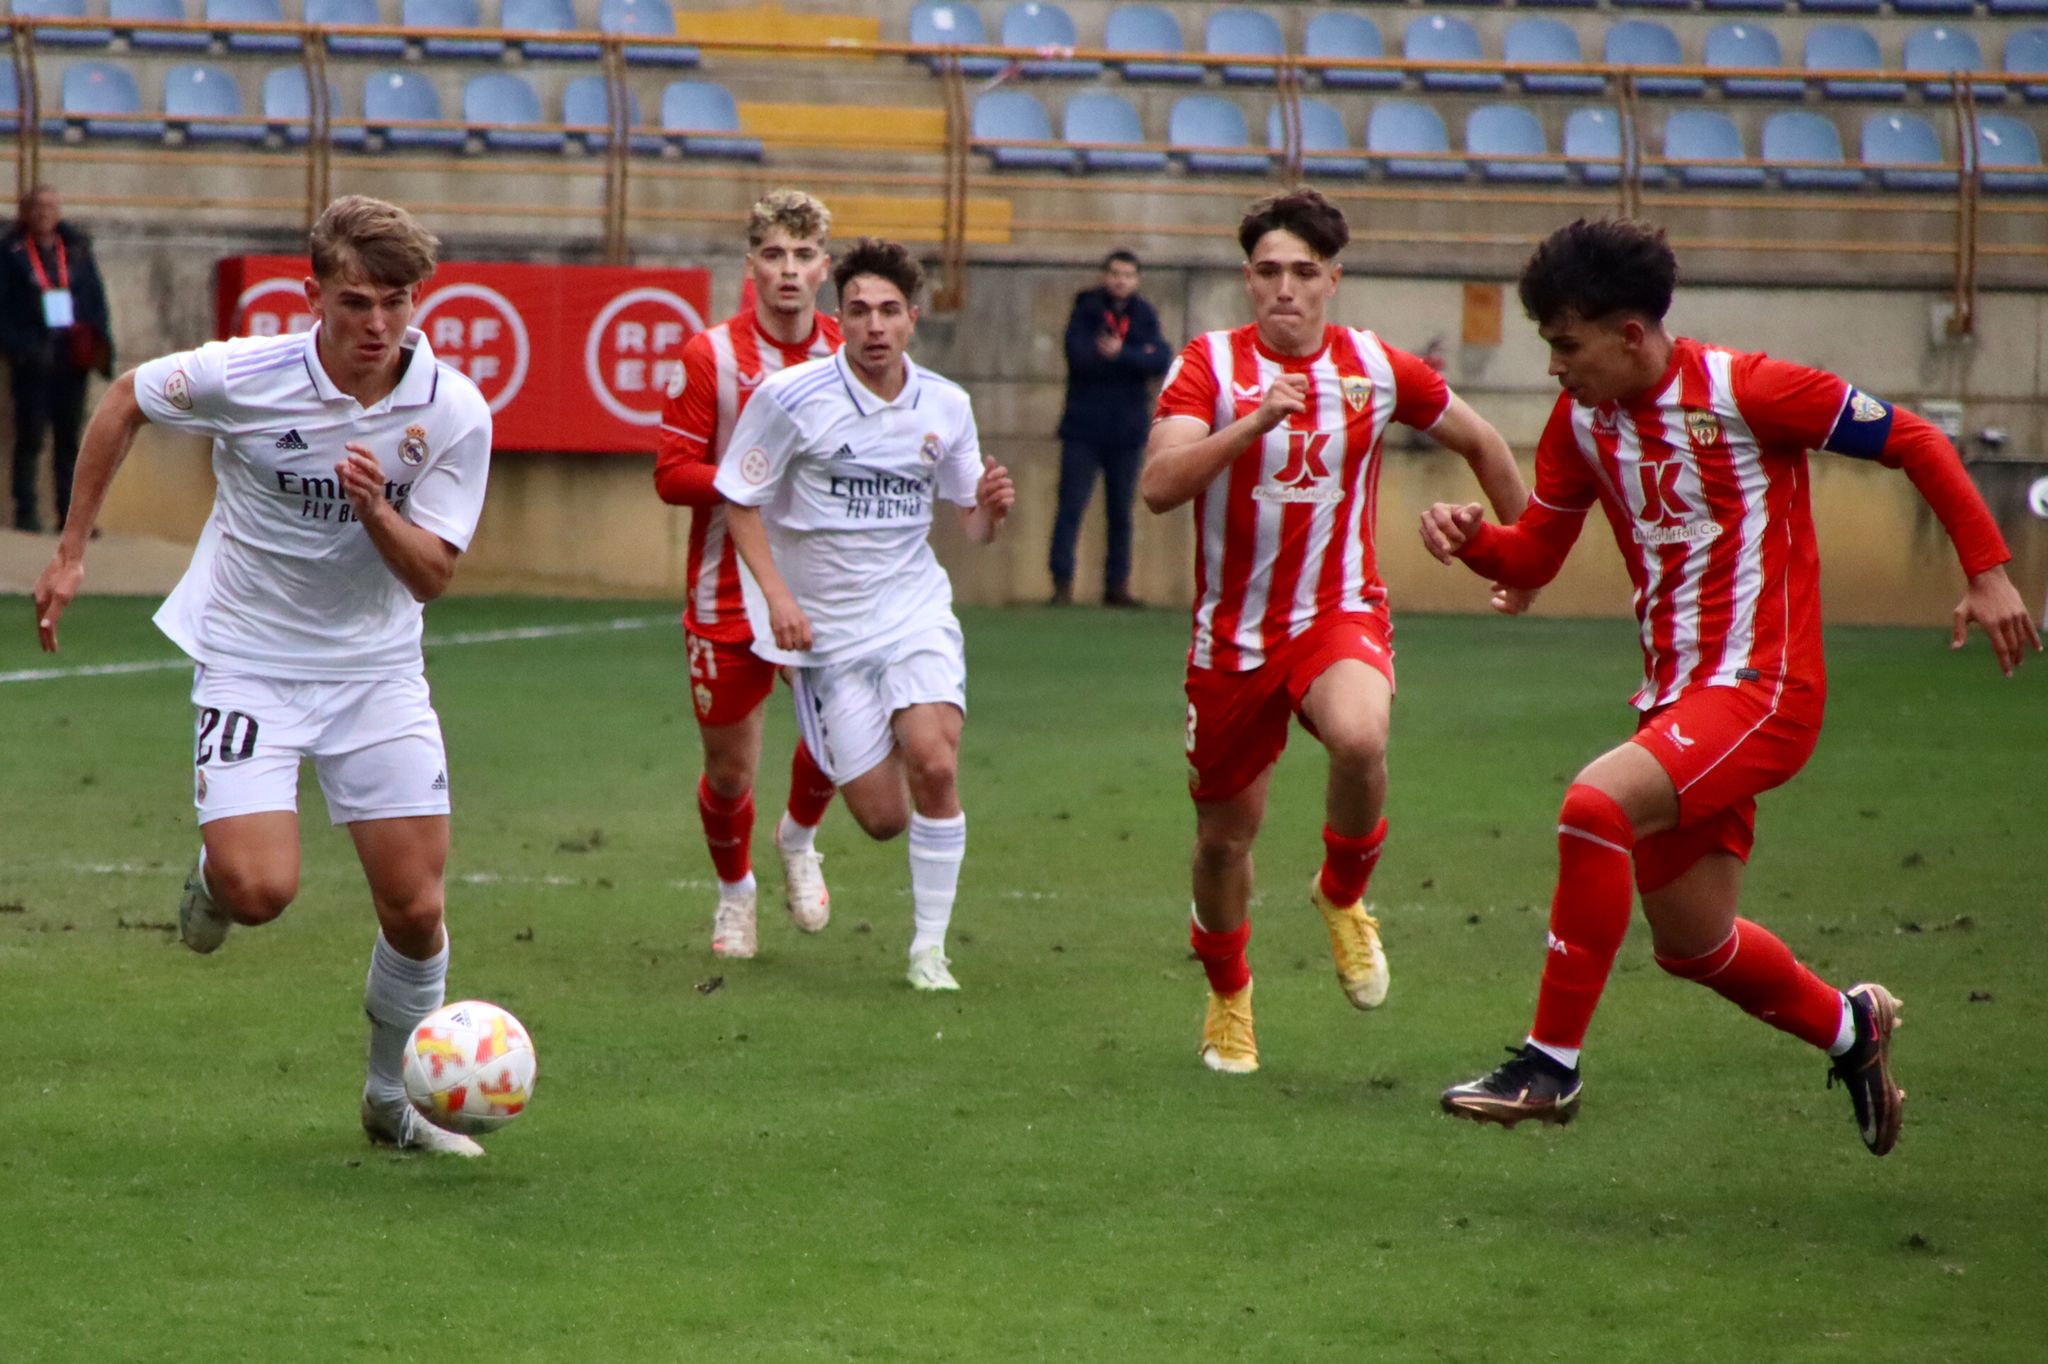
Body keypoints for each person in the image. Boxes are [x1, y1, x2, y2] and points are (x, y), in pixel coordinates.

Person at [1423, 217, 2040, 1154]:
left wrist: (1988, 569)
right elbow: (1533, 556)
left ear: (1631, 335)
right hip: (1680, 700)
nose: (1554, 366)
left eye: (1565, 343)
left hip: (1765, 688)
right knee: (1694, 943)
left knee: (1594, 804)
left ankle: (1549, 1067)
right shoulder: (1581, 422)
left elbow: (1911, 436)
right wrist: (1474, 544)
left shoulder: (1747, 389)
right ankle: (1852, 1027)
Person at [31, 196, 494, 1156]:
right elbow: (124, 400)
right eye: (356, 302)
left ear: (421, 300)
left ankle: (390, 1101)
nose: (377, 325)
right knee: (258, 891)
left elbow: (433, 576)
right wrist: (73, 549)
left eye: (397, 303)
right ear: (313, 292)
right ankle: (212, 875)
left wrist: (376, 512)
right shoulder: (247, 373)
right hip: (249, 658)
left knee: (415, 907)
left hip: (375, 671)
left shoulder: (451, 409)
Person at [1142, 189, 1529, 1074]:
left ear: (1333, 282)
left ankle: (1343, 896)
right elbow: (1161, 486)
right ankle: (1230, 998)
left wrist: (1520, 560)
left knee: (1361, 734)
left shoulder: (1375, 367)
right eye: (1269, 271)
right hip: (1232, 640)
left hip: (1336, 610)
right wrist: (1255, 421)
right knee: (1222, 841)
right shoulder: (1208, 365)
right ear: (1247, 280)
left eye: (1304, 273)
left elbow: (1486, 444)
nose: (1286, 288)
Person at [713, 238, 1014, 992]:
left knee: (936, 760)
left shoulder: (947, 405)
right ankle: (796, 831)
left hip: (914, 612)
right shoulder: (790, 399)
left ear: (913, 319)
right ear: (836, 318)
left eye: (889, 311)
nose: (874, 326)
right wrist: (780, 599)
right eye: (858, 311)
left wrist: (991, 513)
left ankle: (928, 952)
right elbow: (739, 501)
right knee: (883, 818)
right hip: (828, 634)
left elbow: (969, 523)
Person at [655, 189, 842, 961]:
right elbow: (671, 474)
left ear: (824, 268)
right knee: (730, 775)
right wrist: (748, 478)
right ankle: (736, 893)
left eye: (803, 256)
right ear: (751, 267)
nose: (788, 271)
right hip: (724, 587)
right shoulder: (712, 356)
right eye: (774, 255)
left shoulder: (850, 350)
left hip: (828, 584)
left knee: (839, 746)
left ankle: (798, 841)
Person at [1047, 249, 1171, 607]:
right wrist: (1132, 361)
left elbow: (1159, 358)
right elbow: (1081, 357)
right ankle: (1061, 583)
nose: (1120, 280)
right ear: (1105, 275)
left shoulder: (1143, 314)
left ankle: (1117, 586)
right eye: (1115, 273)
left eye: (1128, 275)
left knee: (1121, 512)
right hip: (1083, 427)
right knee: (1071, 507)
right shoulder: (1086, 309)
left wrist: (1121, 355)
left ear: (1137, 280)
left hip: (1127, 430)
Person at [2, 185, 113, 532]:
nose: (44, 214)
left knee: (70, 442)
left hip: (71, 357)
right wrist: (18, 348)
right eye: (37, 208)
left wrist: (98, 344)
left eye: (50, 207)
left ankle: (71, 515)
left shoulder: (77, 250)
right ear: (27, 213)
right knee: (30, 437)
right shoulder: (11, 252)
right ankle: (26, 512)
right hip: (33, 358)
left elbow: (95, 299)